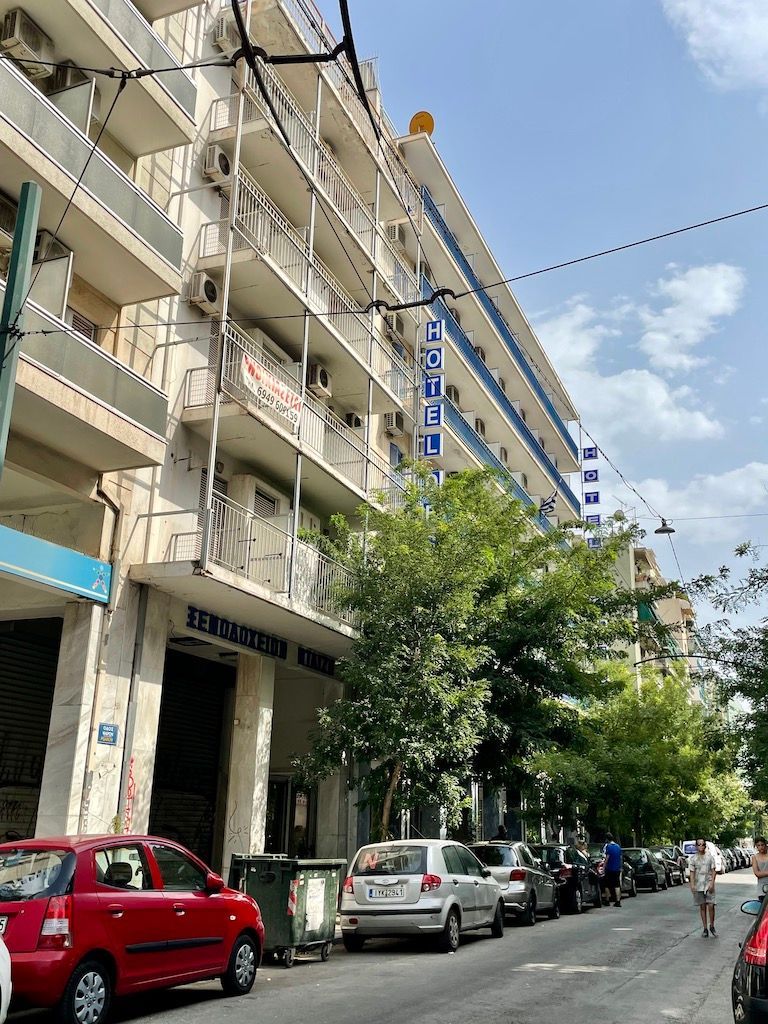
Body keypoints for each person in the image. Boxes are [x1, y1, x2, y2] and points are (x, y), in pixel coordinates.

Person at [689, 838, 717, 937]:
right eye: (699, 844)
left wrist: (712, 883)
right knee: (702, 906)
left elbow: (713, 870)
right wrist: (692, 885)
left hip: (708, 883)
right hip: (699, 884)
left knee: (711, 905)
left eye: (703, 844)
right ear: (696, 846)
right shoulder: (693, 858)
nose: (701, 846)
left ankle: (712, 925)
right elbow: (692, 872)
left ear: (705, 846)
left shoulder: (710, 857)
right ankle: (705, 928)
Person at [602, 833, 623, 908]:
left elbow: (607, 857)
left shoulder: (609, 847)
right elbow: (620, 857)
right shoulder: (618, 846)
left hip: (609, 868)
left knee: (607, 885)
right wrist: (620, 866)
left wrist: (603, 867)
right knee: (617, 885)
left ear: (607, 839)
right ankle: (618, 901)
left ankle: (607, 900)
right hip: (617, 868)